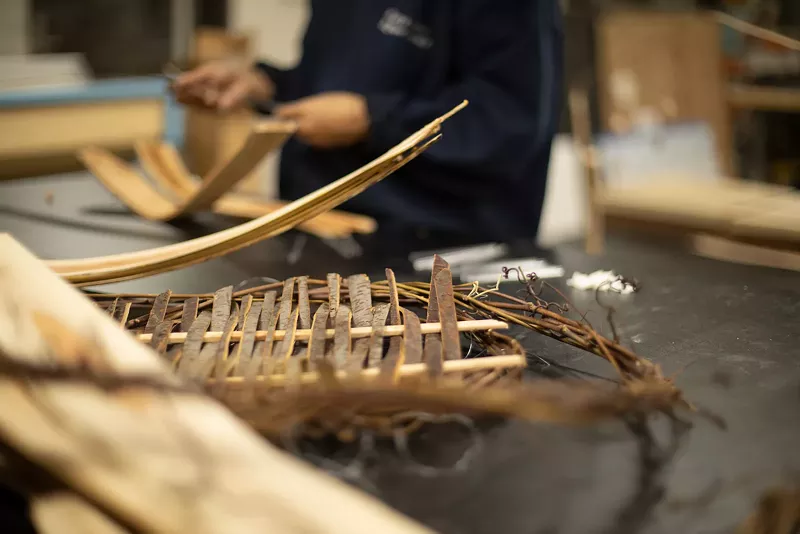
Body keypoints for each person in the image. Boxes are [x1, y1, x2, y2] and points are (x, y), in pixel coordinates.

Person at [175, 1, 563, 247]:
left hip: (440, 254)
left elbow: (507, 122)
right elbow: (332, 84)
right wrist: (263, 85)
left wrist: (371, 119)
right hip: (316, 229)